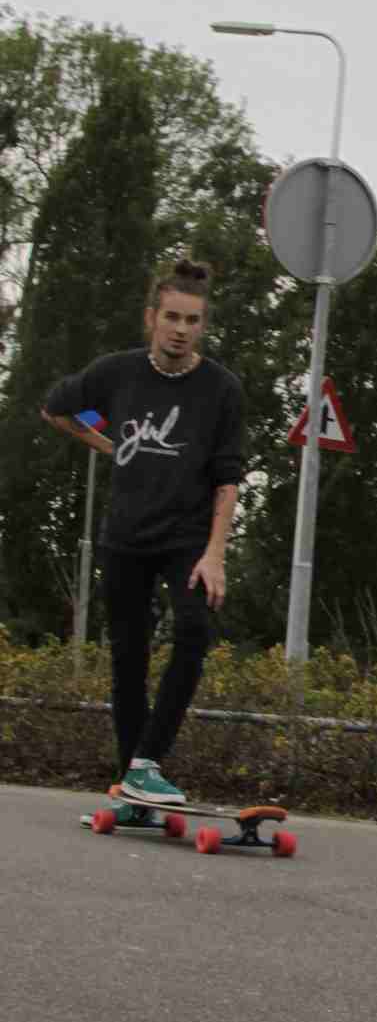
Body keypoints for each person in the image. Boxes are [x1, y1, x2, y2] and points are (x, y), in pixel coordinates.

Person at [40, 257, 246, 817]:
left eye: (193, 321)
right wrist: (109, 448)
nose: (181, 330)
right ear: (152, 317)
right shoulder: (116, 373)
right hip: (125, 537)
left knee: (195, 630)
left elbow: (228, 478)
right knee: (127, 661)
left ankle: (146, 764)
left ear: (203, 326)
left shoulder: (221, 389)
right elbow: (57, 409)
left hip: (187, 538)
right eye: (172, 317)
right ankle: (130, 786)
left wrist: (215, 554)